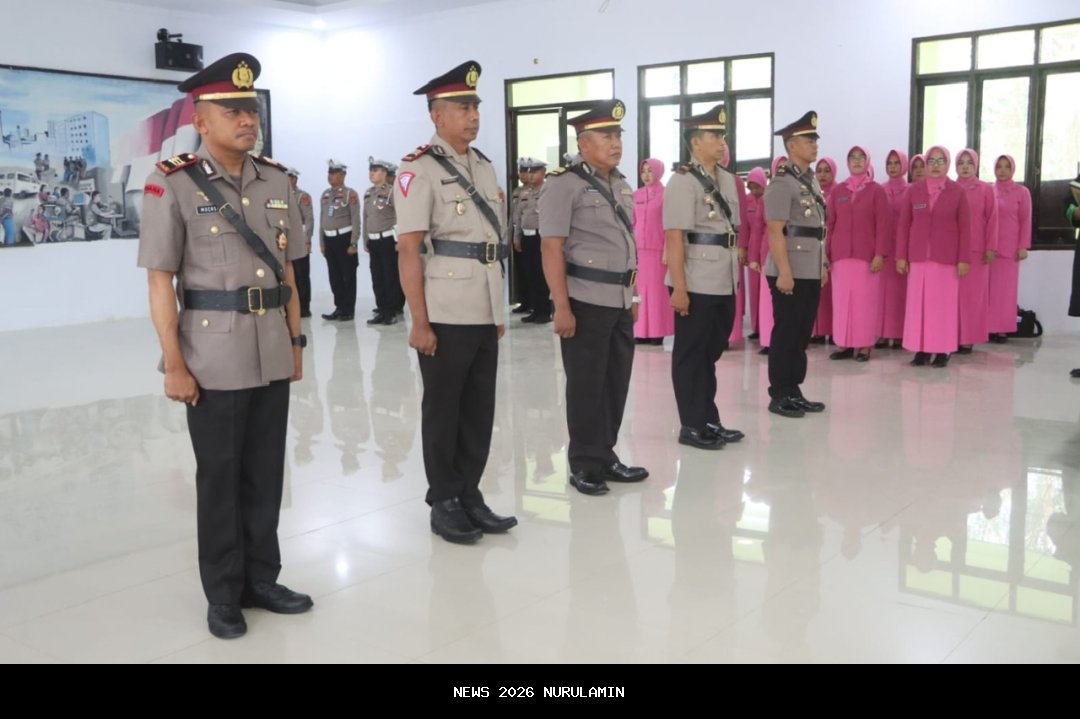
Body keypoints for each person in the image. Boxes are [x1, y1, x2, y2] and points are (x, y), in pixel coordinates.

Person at [137, 53, 312, 640]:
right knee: (219, 478)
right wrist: (174, 364)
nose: (247, 119)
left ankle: (262, 578)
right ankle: (223, 592)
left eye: (251, 109)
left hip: (271, 348)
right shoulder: (172, 182)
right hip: (212, 356)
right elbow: (160, 281)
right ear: (200, 120)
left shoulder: (277, 180)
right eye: (232, 110)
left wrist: (295, 342)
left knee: (265, 474)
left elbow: (289, 273)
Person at [394, 60, 517, 544]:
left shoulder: (483, 165)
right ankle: (443, 499)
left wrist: (497, 310)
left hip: (483, 306)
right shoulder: (417, 169)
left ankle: (470, 493)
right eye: (462, 107)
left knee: (479, 409)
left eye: (475, 106)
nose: (473, 115)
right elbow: (409, 249)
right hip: (444, 308)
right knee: (444, 408)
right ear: (436, 115)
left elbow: (490, 244)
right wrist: (419, 321)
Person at [540, 98, 648, 494]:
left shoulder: (620, 183)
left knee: (615, 382)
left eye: (618, 134)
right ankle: (583, 462)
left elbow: (627, 244)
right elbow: (551, 247)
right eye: (606, 135)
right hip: (584, 300)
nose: (616, 142)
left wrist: (633, 296)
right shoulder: (563, 184)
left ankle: (605, 455)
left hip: (618, 300)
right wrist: (561, 306)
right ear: (584, 143)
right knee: (586, 385)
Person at [664, 103, 744, 450]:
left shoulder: (727, 179)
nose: (721, 141)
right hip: (695, 280)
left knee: (710, 353)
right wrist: (679, 289)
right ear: (695, 142)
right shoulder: (682, 181)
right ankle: (691, 425)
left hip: (723, 277)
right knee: (690, 354)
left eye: (722, 135)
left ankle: (709, 418)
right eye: (714, 135)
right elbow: (675, 238)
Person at [763, 111, 828, 418]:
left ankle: (794, 389)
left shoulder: (810, 181)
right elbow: (776, 231)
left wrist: (822, 263)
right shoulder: (781, 183)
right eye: (808, 140)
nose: (815, 145)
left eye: (815, 140)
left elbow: (818, 229)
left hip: (809, 267)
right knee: (787, 332)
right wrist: (784, 272)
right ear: (791, 146)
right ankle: (779, 393)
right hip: (789, 269)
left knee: (801, 333)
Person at [896, 146, 971, 368]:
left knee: (942, 307)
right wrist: (901, 256)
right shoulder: (914, 191)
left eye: (940, 161)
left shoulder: (957, 192)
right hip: (918, 258)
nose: (935, 165)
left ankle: (941, 350)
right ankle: (920, 349)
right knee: (918, 306)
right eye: (931, 161)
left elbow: (965, 228)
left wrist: (963, 259)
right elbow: (904, 225)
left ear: (947, 164)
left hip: (946, 259)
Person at [825, 146, 888, 362]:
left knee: (864, 303)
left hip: (866, 256)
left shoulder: (876, 191)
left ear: (867, 161)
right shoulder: (838, 191)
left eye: (861, 157)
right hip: (840, 255)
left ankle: (864, 346)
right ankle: (843, 344)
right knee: (842, 302)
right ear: (847, 162)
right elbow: (830, 224)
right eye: (853, 157)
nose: (857, 161)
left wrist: (879, 253)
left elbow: (883, 225)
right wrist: (826, 252)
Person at [955, 149, 999, 354]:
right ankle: (953, 335)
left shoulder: (985, 189)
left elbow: (992, 219)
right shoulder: (950, 188)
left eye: (969, 163)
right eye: (961, 162)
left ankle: (968, 339)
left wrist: (990, 247)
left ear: (976, 165)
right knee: (954, 297)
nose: (965, 166)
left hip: (977, 251)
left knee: (973, 297)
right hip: (953, 251)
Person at [988, 155, 1031, 343]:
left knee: (1005, 292)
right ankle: (987, 328)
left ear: (1012, 169)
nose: (1003, 170)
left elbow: (1025, 220)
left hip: (1010, 250)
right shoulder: (988, 190)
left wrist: (1023, 246)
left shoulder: (1022, 192)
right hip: (989, 250)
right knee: (988, 291)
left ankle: (1002, 330)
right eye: (999, 166)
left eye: (1007, 166)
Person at [632, 157, 673, 345]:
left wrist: (668, 249)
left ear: (659, 172)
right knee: (639, 292)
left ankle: (657, 332)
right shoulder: (636, 195)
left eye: (650, 171)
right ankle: (640, 332)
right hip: (639, 251)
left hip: (658, 251)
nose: (646, 175)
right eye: (643, 171)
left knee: (657, 294)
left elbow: (670, 225)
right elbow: (632, 223)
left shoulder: (666, 194)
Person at [319, 158, 361, 321]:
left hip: (344, 239)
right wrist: (322, 243)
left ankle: (348, 310)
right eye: (329, 173)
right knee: (334, 276)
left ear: (343, 175)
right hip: (329, 240)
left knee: (347, 276)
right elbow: (322, 220)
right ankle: (339, 307)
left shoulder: (350, 194)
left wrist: (353, 242)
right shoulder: (325, 194)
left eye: (335, 173)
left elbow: (356, 219)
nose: (330, 176)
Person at [364, 156, 403, 325]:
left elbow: (401, 215)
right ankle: (381, 310)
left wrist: (399, 240)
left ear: (385, 173)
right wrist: (365, 239)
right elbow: (366, 217)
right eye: (370, 171)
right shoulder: (368, 193)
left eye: (375, 170)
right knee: (377, 278)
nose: (371, 173)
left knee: (390, 277)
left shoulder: (393, 192)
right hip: (373, 241)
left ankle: (391, 312)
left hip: (388, 240)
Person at [877, 149, 909, 349]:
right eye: (890, 163)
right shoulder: (880, 189)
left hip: (902, 247)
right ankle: (881, 333)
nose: (893, 167)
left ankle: (898, 334)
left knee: (899, 293)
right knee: (882, 292)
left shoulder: (910, 190)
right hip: (884, 247)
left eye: (897, 163)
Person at [514, 157, 551, 323]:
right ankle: (535, 309)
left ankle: (545, 312)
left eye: (535, 172)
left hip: (541, 237)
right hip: (527, 237)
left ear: (543, 173)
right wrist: (517, 237)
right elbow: (518, 217)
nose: (530, 175)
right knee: (531, 275)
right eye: (529, 172)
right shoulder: (524, 193)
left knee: (542, 275)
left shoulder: (548, 191)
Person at [810, 157, 838, 344]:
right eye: (819, 171)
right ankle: (818, 331)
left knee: (831, 293)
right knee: (815, 290)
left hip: (831, 247)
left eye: (827, 170)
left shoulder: (839, 192)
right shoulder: (811, 192)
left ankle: (833, 330)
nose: (822, 175)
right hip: (813, 246)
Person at [743, 166, 768, 341]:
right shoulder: (747, 201)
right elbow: (744, 228)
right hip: (753, 248)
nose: (754, 191)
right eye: (751, 187)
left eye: (757, 187)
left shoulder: (771, 198)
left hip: (768, 246)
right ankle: (757, 327)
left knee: (766, 290)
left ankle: (767, 326)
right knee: (754, 289)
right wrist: (744, 249)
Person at [286, 167, 314, 318]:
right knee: (289, 275)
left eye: (290, 177)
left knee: (301, 275)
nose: (287, 180)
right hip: (285, 240)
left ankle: (304, 307)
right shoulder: (280, 194)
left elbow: (308, 219)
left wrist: (307, 240)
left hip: (299, 240)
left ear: (295, 179)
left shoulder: (302, 196)